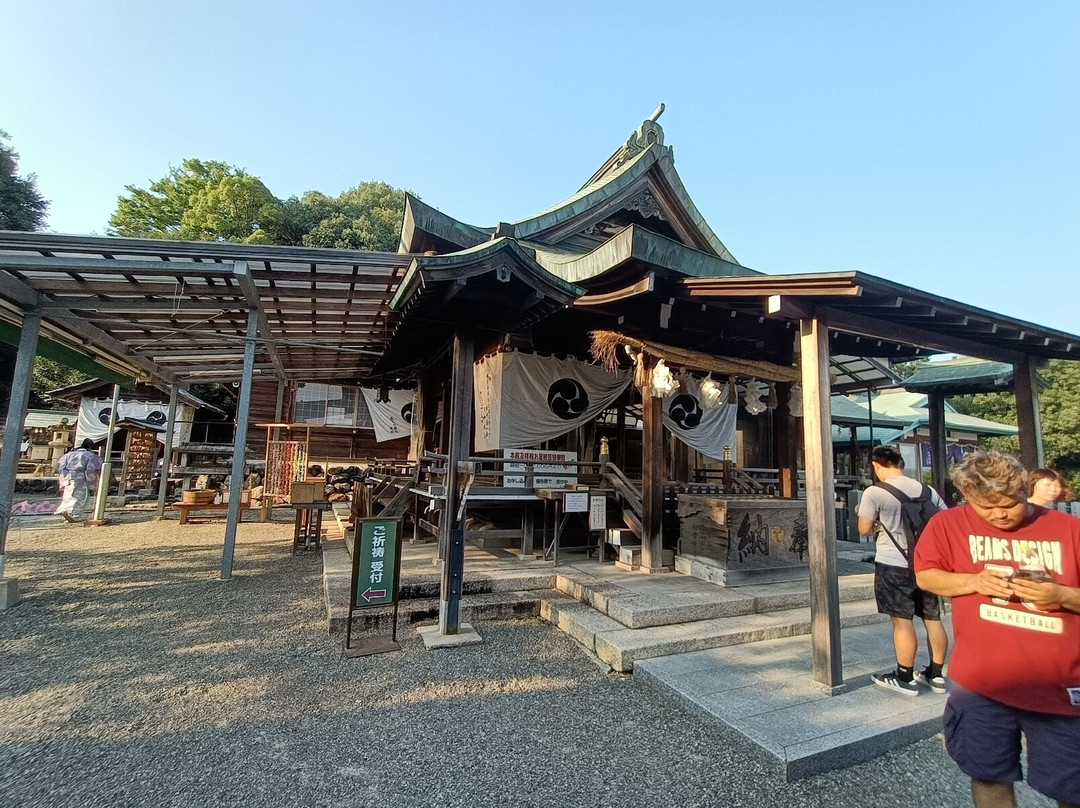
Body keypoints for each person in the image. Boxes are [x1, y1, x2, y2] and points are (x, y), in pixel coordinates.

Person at [915, 451, 1080, 808]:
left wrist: (1060, 594)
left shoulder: (1069, 529)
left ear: (1025, 489)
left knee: (1071, 786)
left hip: (1060, 683)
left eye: (1008, 504)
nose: (999, 514)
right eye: (985, 508)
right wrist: (974, 580)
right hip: (980, 680)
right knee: (988, 773)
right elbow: (927, 575)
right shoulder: (948, 524)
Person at [857, 445, 949, 695]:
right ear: (900, 464)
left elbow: (864, 528)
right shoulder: (926, 490)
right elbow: (945, 521)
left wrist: (880, 526)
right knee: (932, 618)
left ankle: (904, 676)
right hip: (927, 563)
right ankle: (936, 674)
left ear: (876, 465)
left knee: (902, 621)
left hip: (893, 562)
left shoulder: (875, 492)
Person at [55, 438, 104, 523]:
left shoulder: (69, 455)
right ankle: (74, 514)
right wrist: (92, 482)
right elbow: (90, 469)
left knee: (68, 495)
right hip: (81, 478)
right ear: (90, 447)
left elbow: (61, 468)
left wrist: (63, 479)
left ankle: (65, 510)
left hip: (68, 477)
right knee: (78, 497)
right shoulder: (90, 455)